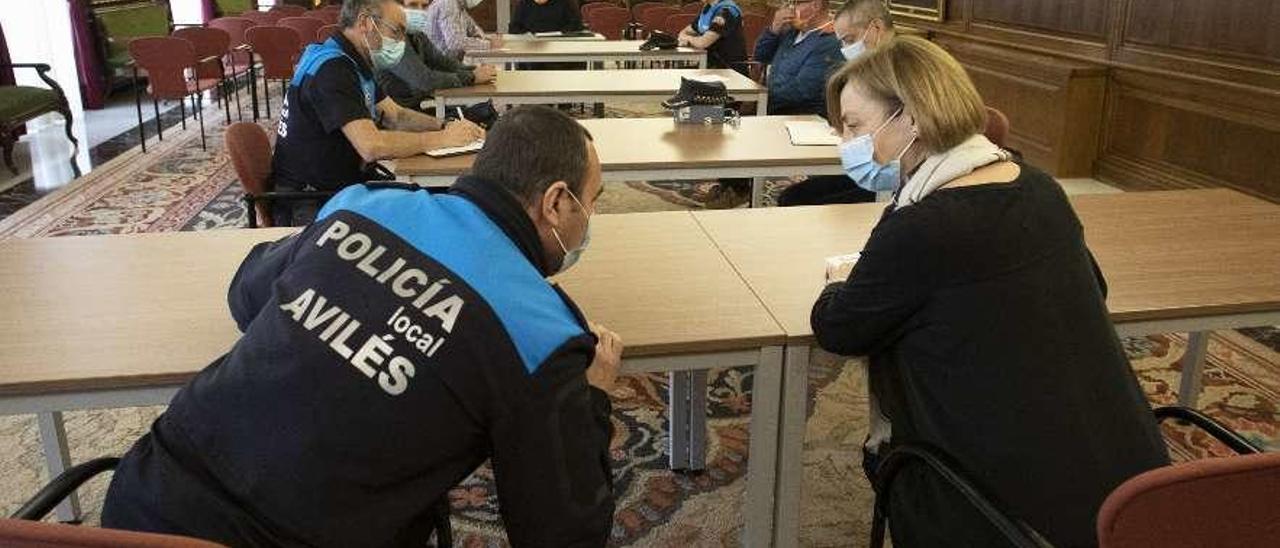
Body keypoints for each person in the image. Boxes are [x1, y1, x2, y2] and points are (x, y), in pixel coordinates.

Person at [101, 106, 619, 547]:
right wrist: (591, 399)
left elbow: (246, 295)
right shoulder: (543, 333)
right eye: (590, 202)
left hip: (144, 499)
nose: (588, 219)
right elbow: (563, 532)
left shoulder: (362, 204)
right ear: (556, 201)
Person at [810, 36, 1169, 547]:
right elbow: (1095, 287)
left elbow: (840, 328)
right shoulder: (1038, 186)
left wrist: (837, 284)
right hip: (1129, 489)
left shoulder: (923, 227)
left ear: (911, 118)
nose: (846, 143)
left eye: (854, 126)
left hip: (1002, 508)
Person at [269, 0, 485, 226]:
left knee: (434, 201)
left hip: (342, 185)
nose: (402, 41)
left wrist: (444, 125)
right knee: (424, 218)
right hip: (310, 201)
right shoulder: (333, 69)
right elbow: (372, 146)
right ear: (365, 23)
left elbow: (396, 116)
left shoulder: (351, 59)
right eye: (397, 31)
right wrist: (440, 140)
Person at [777, 0, 897, 207]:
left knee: (803, 204)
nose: (845, 49)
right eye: (842, 42)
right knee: (792, 197)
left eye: (849, 40)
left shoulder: (903, 68)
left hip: (893, 177)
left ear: (876, 28)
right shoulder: (869, 66)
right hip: (869, 164)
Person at [754, 0, 841, 116]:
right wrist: (774, 30)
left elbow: (803, 91)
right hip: (772, 109)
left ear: (816, 5)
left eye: (796, 3)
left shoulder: (829, 41)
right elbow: (761, 55)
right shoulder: (791, 32)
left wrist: (765, 94)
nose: (790, 9)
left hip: (800, 119)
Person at [376, 29, 498, 111]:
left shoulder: (415, 34)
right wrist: (471, 77)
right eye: (414, 5)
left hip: (418, 103)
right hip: (401, 112)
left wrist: (475, 70)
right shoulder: (390, 40)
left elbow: (442, 62)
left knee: (483, 112)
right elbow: (425, 80)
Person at [677, 0, 747, 74]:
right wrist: (687, 37)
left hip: (729, 70)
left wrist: (688, 39)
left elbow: (703, 43)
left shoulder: (727, 11)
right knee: (678, 73)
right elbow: (684, 32)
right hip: (710, 65)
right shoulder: (708, 8)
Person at [418, 0, 503, 60]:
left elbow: (473, 28)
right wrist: (489, 44)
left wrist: (486, 39)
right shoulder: (447, 4)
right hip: (439, 66)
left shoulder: (459, 6)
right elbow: (455, 43)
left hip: (449, 64)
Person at [509, 0, 584, 34]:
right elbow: (514, 27)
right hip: (531, 46)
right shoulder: (523, 3)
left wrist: (561, 33)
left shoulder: (565, 2)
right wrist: (527, 35)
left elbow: (576, 24)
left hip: (559, 47)